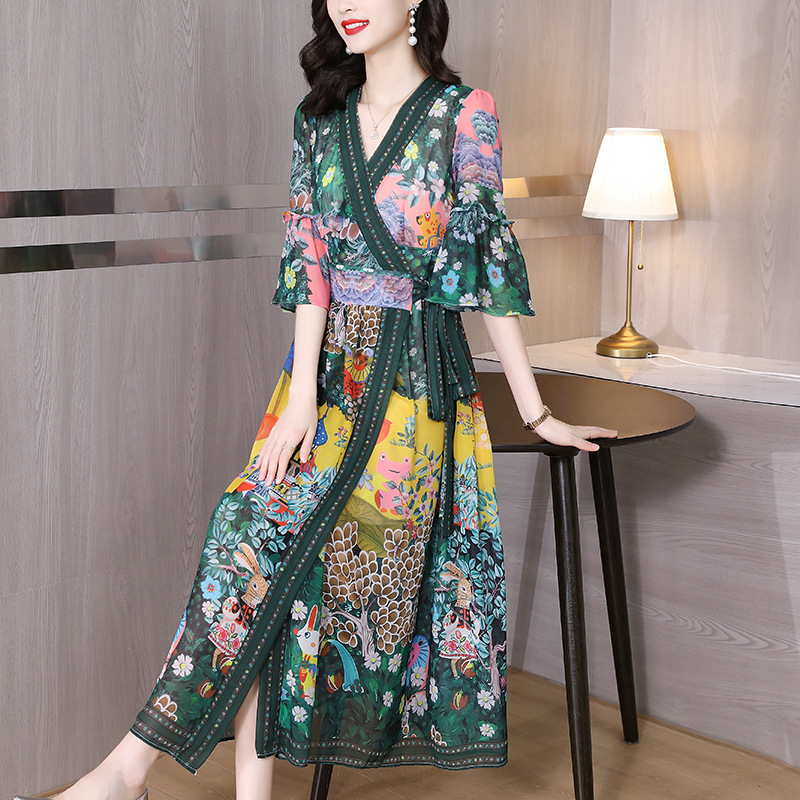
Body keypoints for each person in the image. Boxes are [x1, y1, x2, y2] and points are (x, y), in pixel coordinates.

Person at [15, 2, 616, 799]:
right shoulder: (319, 118)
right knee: (247, 535)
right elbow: (309, 266)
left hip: (414, 396)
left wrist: (536, 412)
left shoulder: (464, 114)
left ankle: (125, 776)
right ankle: (143, 775)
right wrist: (301, 397)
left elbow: (485, 271)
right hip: (325, 384)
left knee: (281, 567)